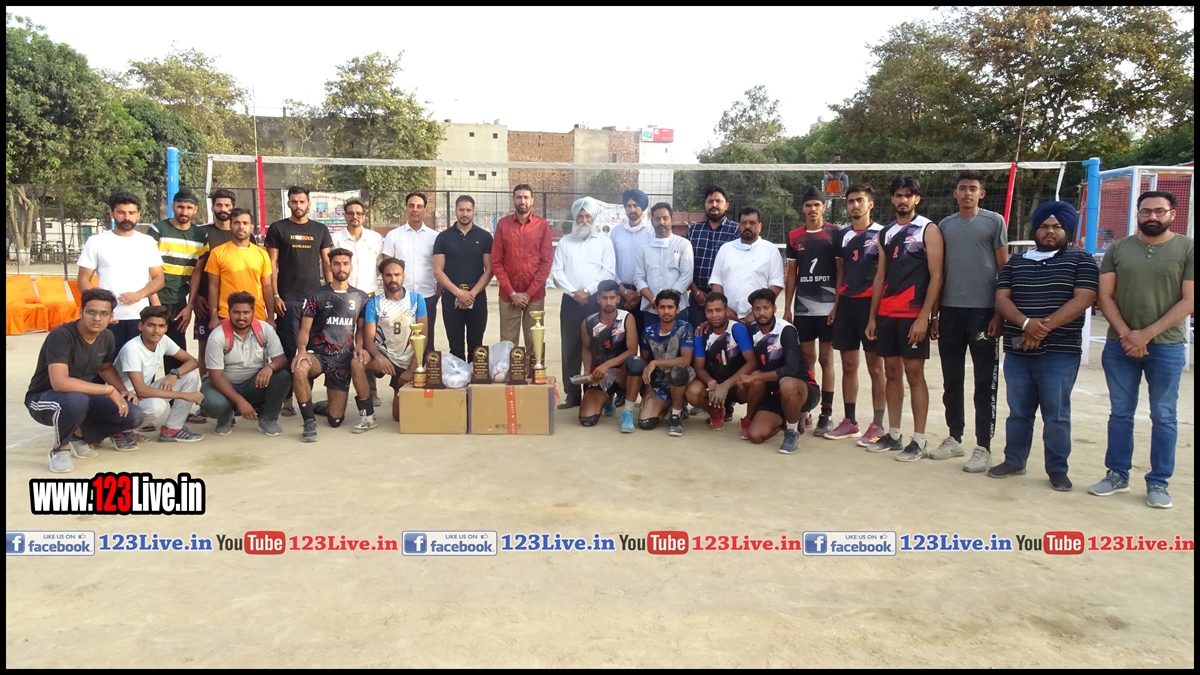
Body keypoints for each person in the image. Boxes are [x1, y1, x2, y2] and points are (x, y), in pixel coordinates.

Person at [1092, 190, 1194, 509]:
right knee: (1120, 413)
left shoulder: (1188, 248)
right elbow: (1104, 296)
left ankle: (1159, 482)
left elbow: (1189, 300)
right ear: (1137, 214)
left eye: (1159, 211)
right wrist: (1127, 334)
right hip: (1119, 345)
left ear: (1173, 214)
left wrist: (1146, 335)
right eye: (1146, 211)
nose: (1152, 216)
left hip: (1166, 346)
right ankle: (1117, 475)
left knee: (1163, 415)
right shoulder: (1119, 249)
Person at [989, 202, 1098, 491]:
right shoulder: (1016, 262)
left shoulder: (1081, 260)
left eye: (1057, 227)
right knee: (1018, 411)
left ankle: (1057, 470)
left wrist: (1041, 328)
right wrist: (1026, 324)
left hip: (1060, 351)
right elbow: (1002, 299)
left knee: (1057, 415)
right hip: (1018, 350)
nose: (1050, 231)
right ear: (1035, 230)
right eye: (1044, 226)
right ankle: (1014, 461)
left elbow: (1084, 298)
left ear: (1067, 230)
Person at [864, 176, 944, 461]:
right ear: (892, 199)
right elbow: (880, 276)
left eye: (908, 195)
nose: (902, 200)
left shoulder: (928, 229)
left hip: (912, 314)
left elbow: (937, 276)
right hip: (887, 314)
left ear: (916, 199)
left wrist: (925, 317)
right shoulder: (885, 233)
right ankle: (894, 434)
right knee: (892, 373)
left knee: (914, 375)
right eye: (898, 195)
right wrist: (873, 317)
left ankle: (919, 439)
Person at [25, 289, 145, 473]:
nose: (97, 318)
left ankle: (79, 435)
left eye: (103, 313)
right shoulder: (62, 335)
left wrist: (122, 390)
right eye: (91, 312)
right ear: (81, 312)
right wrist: (108, 390)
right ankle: (60, 450)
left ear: (111, 316)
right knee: (76, 400)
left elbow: (105, 368)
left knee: (133, 414)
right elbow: (60, 383)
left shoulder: (107, 336)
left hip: (82, 398)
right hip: (44, 398)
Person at [935, 170, 1008, 471]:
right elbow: (939, 272)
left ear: (981, 194)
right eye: (962, 188)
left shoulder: (994, 222)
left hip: (983, 312)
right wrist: (935, 314)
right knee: (951, 379)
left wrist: (1000, 312)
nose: (967, 193)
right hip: (950, 311)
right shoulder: (945, 226)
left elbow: (1004, 268)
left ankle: (984, 446)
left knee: (984, 381)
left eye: (973, 188)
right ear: (955, 193)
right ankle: (954, 437)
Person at [827, 183, 886, 445]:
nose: (855, 205)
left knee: (876, 367)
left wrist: (876, 313)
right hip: (847, 307)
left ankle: (878, 425)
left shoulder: (882, 234)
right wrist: (836, 305)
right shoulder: (842, 236)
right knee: (849, 365)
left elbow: (884, 274)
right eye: (851, 201)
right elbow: (841, 272)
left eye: (860, 200)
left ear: (870, 204)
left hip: (871, 307)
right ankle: (850, 422)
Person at [266, 186, 333, 417]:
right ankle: (287, 400)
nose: (298, 205)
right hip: (288, 300)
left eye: (302, 201)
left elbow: (327, 263)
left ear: (308, 204)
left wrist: (330, 292)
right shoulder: (278, 228)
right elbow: (272, 265)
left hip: (315, 301)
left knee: (311, 350)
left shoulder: (320, 229)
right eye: (294, 201)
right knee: (288, 351)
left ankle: (306, 397)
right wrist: (275, 295)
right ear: (288, 203)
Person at [291, 248, 371, 442]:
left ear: (351, 267)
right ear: (329, 266)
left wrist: (359, 346)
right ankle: (309, 421)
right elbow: (304, 329)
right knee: (300, 368)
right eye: (336, 264)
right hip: (318, 354)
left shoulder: (361, 297)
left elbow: (360, 330)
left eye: (345, 264)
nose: (341, 268)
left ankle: (323, 405)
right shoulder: (316, 294)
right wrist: (301, 351)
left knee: (335, 420)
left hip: (342, 358)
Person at [77, 191, 165, 351]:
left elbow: (158, 279)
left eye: (131, 213)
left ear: (138, 215)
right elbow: (84, 279)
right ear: (112, 214)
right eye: (121, 213)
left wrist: (139, 294)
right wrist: (101, 310)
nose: (126, 217)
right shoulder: (96, 241)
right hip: (109, 318)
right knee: (106, 363)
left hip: (140, 317)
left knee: (139, 363)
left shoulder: (147, 242)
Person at [551, 197, 617, 408]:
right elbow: (557, 270)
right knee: (570, 347)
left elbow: (608, 271)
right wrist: (574, 292)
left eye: (588, 216)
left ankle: (593, 391)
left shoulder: (604, 242)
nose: (584, 220)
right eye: (580, 216)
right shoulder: (565, 242)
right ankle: (572, 394)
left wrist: (587, 291)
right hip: (571, 302)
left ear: (594, 218)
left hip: (595, 301)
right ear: (575, 218)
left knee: (596, 347)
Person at [784, 186, 839, 434]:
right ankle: (806, 409)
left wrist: (837, 305)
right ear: (803, 208)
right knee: (807, 359)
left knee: (827, 359)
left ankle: (827, 413)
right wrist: (787, 307)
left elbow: (841, 271)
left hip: (827, 308)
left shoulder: (835, 233)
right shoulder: (794, 236)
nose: (812, 209)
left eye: (817, 205)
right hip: (804, 309)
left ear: (823, 207)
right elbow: (791, 274)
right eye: (808, 205)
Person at [738, 288, 820, 454]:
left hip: (803, 389)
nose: (762, 313)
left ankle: (792, 432)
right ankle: (790, 417)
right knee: (755, 435)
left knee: (785, 382)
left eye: (766, 308)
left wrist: (755, 378)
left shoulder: (786, 330)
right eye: (757, 309)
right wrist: (706, 324)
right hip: (775, 394)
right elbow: (730, 329)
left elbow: (791, 369)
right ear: (752, 311)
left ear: (774, 308)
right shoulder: (752, 329)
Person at [200, 291, 291, 437]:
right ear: (229, 312)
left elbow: (281, 359)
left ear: (253, 312)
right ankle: (225, 417)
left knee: (283, 376)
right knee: (213, 404)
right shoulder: (217, 336)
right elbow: (215, 377)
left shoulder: (265, 329)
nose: (241, 317)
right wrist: (241, 402)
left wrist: (270, 367)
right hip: (224, 385)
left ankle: (268, 419)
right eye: (236, 312)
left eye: (246, 312)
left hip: (254, 385)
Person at [116, 305, 205, 443]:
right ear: (141, 326)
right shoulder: (132, 350)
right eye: (151, 325)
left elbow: (193, 361)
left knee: (190, 376)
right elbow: (141, 390)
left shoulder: (163, 340)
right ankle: (120, 431)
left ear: (166, 328)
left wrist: (174, 373)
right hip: (122, 399)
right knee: (156, 406)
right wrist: (184, 395)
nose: (156, 331)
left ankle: (172, 429)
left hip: (140, 396)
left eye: (161, 326)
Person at [358, 258, 429, 423]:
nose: (393, 279)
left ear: (403, 276)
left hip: (407, 360)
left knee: (399, 418)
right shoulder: (374, 303)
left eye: (397, 275)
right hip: (384, 355)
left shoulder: (417, 300)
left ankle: (400, 389)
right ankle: (367, 413)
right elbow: (369, 340)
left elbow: (423, 338)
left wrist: (411, 369)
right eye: (388, 275)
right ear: (382, 277)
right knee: (357, 363)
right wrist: (378, 357)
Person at [148, 187, 209, 373]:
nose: (184, 211)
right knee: (147, 352)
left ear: (195, 210)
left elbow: (196, 273)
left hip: (179, 302)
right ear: (173, 206)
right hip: (154, 299)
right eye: (180, 206)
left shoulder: (200, 236)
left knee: (175, 355)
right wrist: (155, 303)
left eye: (189, 208)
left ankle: (173, 391)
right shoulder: (157, 229)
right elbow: (147, 268)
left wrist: (189, 306)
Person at [331, 198, 385, 406]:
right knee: (342, 342)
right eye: (351, 213)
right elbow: (330, 267)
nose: (355, 216)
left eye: (359, 213)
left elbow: (380, 266)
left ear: (364, 216)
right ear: (344, 215)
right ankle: (339, 389)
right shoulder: (336, 239)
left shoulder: (375, 238)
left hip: (368, 297)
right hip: (342, 297)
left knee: (368, 343)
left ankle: (371, 391)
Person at [620, 289, 694, 436]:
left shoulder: (685, 327)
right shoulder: (648, 332)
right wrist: (648, 389)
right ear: (656, 309)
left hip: (681, 380)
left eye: (670, 307)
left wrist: (655, 363)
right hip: (659, 383)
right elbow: (645, 362)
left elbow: (685, 360)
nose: (666, 311)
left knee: (678, 370)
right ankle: (668, 407)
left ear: (677, 309)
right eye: (662, 307)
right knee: (645, 423)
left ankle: (676, 415)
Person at [491, 184, 554, 349]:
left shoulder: (542, 225)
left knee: (534, 343)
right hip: (508, 294)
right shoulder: (503, 225)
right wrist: (512, 292)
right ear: (513, 199)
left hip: (534, 295)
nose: (522, 201)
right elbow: (496, 261)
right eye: (519, 197)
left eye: (526, 197)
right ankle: (510, 368)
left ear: (532, 200)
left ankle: (533, 368)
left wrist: (528, 293)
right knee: (508, 344)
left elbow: (546, 262)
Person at [433, 195, 493, 362]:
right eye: (461, 210)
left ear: (474, 211)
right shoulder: (443, 237)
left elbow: (489, 270)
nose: (465, 213)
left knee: (476, 345)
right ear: (455, 211)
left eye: (468, 210)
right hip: (451, 297)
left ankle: (474, 377)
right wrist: (459, 294)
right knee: (455, 346)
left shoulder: (484, 237)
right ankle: (458, 377)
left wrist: (470, 295)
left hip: (477, 297)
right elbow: (437, 271)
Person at [191, 188, 244, 380]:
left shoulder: (243, 234)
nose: (223, 209)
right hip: (206, 302)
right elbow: (193, 269)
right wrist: (195, 297)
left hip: (236, 303)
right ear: (212, 207)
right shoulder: (201, 233)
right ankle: (207, 388)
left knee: (237, 349)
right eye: (219, 205)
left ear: (233, 207)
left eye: (227, 205)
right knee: (206, 348)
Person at [685, 291, 756, 431]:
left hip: (737, 384)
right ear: (705, 313)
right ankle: (716, 409)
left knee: (756, 384)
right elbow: (699, 368)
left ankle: (751, 417)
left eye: (718, 310)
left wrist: (727, 385)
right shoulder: (701, 334)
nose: (714, 315)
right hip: (714, 385)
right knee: (692, 391)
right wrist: (711, 382)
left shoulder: (737, 329)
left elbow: (752, 362)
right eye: (709, 311)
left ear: (726, 311)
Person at [381, 192, 439, 353]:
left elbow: (441, 266)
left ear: (425, 210)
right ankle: (400, 370)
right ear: (406, 208)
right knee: (399, 342)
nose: (415, 209)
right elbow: (386, 268)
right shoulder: (393, 236)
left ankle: (424, 369)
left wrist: (438, 292)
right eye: (411, 206)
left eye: (419, 206)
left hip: (427, 297)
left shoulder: (435, 237)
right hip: (399, 298)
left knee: (426, 343)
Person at [578, 280, 640, 427]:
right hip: (600, 375)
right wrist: (587, 372)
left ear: (618, 299)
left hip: (622, 373)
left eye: (612, 298)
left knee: (636, 363)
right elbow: (586, 349)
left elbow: (632, 350)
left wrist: (607, 365)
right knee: (587, 419)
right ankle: (607, 399)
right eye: (604, 298)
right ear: (598, 299)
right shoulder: (588, 322)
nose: (608, 302)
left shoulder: (627, 318)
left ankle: (627, 411)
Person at [707, 207, 785, 321]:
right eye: (744, 223)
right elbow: (716, 281)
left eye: (752, 223)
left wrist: (755, 314)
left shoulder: (770, 250)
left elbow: (776, 284)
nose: (747, 226)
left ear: (759, 226)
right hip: (728, 317)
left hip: (760, 318)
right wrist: (725, 310)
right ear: (739, 225)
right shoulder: (726, 249)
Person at [205, 208, 274, 330]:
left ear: (251, 227)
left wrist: (271, 318)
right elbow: (213, 287)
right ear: (230, 226)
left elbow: (267, 286)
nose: (241, 227)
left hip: (258, 316)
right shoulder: (217, 253)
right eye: (237, 223)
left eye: (245, 223)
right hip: (227, 316)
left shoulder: (262, 254)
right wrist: (214, 316)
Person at [685, 186, 740, 328]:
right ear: (705, 204)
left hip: (727, 299)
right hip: (698, 298)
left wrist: (722, 299)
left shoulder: (736, 231)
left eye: (718, 201)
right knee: (698, 335)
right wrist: (696, 291)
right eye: (710, 201)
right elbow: (685, 265)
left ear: (727, 205)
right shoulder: (694, 230)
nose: (714, 205)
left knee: (725, 337)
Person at [636, 202, 694, 330]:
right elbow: (639, 278)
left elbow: (687, 275)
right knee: (651, 341)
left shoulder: (683, 244)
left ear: (672, 219)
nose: (661, 222)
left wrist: (668, 301)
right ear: (651, 221)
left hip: (677, 308)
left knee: (678, 341)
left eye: (665, 218)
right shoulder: (644, 247)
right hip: (651, 309)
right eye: (657, 219)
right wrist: (653, 301)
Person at [612, 188, 655, 336]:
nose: (632, 209)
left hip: (647, 295)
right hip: (621, 293)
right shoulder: (616, 232)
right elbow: (611, 264)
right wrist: (624, 292)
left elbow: (655, 265)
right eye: (628, 206)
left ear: (642, 207)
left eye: (636, 205)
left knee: (645, 340)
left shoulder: (652, 232)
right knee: (620, 339)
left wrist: (639, 293)